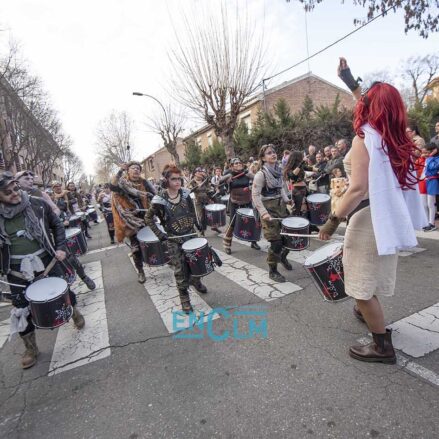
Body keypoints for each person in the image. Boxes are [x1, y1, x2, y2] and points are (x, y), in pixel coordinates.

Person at [319, 57, 427, 364]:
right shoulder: (395, 137)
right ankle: (364, 313)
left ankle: (382, 346)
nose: (361, 102)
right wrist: (351, 81)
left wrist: (331, 222)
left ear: (372, 110)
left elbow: (356, 189)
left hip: (366, 218)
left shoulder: (364, 138)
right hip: (385, 218)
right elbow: (372, 101)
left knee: (360, 286)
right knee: (370, 275)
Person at [0, 172, 85, 369]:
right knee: (20, 308)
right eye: (7, 192)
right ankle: (31, 348)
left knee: (62, 292)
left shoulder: (37, 203)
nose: (14, 193)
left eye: (15, 188)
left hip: (46, 259)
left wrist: (61, 248)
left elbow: (56, 225)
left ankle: (74, 312)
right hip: (15, 270)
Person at [145, 165, 207, 313]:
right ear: (166, 180)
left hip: (190, 235)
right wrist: (161, 236)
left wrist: (198, 226)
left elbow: (192, 213)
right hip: (173, 239)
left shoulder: (185, 194)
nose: (177, 182)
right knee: (180, 271)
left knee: (196, 264)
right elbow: (148, 218)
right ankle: (185, 300)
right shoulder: (159, 199)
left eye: (179, 178)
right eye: (173, 179)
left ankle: (196, 281)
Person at [16, 173, 95, 290]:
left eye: (32, 178)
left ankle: (84, 277)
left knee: (69, 257)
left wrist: (49, 219)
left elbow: (55, 209)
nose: (31, 181)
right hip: (29, 243)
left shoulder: (40, 194)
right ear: (16, 181)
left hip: (48, 236)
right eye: (26, 179)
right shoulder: (10, 198)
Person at [252, 144, 293, 283]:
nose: (273, 154)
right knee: (276, 242)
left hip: (281, 207)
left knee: (289, 238)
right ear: (263, 158)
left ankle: (282, 257)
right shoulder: (260, 174)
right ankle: (273, 271)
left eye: (274, 152)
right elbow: (255, 196)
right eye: (269, 153)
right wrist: (263, 213)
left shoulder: (279, 170)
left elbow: (280, 187)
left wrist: (287, 200)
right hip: (268, 210)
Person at [111, 161, 156, 283]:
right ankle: (140, 272)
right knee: (136, 248)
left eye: (138, 168)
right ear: (128, 171)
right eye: (133, 168)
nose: (136, 170)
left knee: (155, 240)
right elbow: (112, 186)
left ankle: (161, 260)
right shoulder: (122, 182)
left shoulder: (144, 182)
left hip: (147, 216)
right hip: (132, 220)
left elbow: (155, 195)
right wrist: (120, 171)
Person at [220, 157, 261, 254]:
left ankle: (253, 241)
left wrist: (251, 186)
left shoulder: (247, 173)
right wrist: (228, 179)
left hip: (247, 201)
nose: (238, 164)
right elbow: (220, 183)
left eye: (240, 163)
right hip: (235, 202)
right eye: (236, 163)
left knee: (252, 221)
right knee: (232, 224)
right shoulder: (228, 174)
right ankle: (227, 245)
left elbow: (258, 180)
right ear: (231, 166)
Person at [188, 167, 220, 234]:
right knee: (201, 216)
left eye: (200, 171)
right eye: (198, 171)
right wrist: (196, 187)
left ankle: (214, 227)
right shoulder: (192, 182)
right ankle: (202, 230)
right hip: (198, 201)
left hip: (206, 199)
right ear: (195, 173)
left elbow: (208, 189)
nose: (200, 173)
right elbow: (189, 190)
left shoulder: (204, 180)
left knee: (211, 214)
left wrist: (214, 190)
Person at [423, 142, 439, 231]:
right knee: (430, 203)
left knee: (430, 203)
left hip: (433, 181)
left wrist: (429, 158)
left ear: (434, 150)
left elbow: (432, 167)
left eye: (428, 152)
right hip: (428, 180)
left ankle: (431, 223)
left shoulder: (435, 158)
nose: (426, 154)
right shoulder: (432, 158)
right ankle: (430, 222)